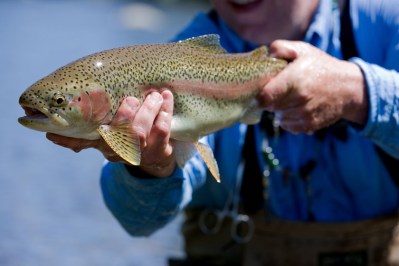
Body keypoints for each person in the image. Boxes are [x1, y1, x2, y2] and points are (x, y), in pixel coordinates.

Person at [47, 0, 399, 265]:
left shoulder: (384, 23)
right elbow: (138, 222)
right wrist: (149, 167)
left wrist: (358, 93)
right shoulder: (176, 57)